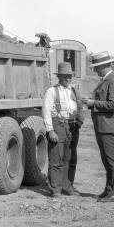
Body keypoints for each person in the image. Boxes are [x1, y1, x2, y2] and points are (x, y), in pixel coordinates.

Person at [81, 51, 114, 203]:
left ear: (105, 65)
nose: (95, 70)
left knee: (112, 161)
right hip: (103, 126)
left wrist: (93, 103)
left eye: (97, 67)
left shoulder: (113, 80)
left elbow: (113, 104)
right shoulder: (107, 80)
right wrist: (91, 101)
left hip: (108, 127)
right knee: (107, 161)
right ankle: (109, 190)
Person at [42, 62, 84, 197]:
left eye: (69, 76)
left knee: (70, 158)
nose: (67, 79)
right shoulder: (51, 91)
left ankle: (68, 187)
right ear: (59, 76)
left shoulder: (74, 91)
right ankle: (55, 189)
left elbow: (80, 107)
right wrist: (50, 130)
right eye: (65, 76)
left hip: (72, 127)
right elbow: (46, 112)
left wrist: (79, 123)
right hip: (58, 125)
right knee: (56, 158)